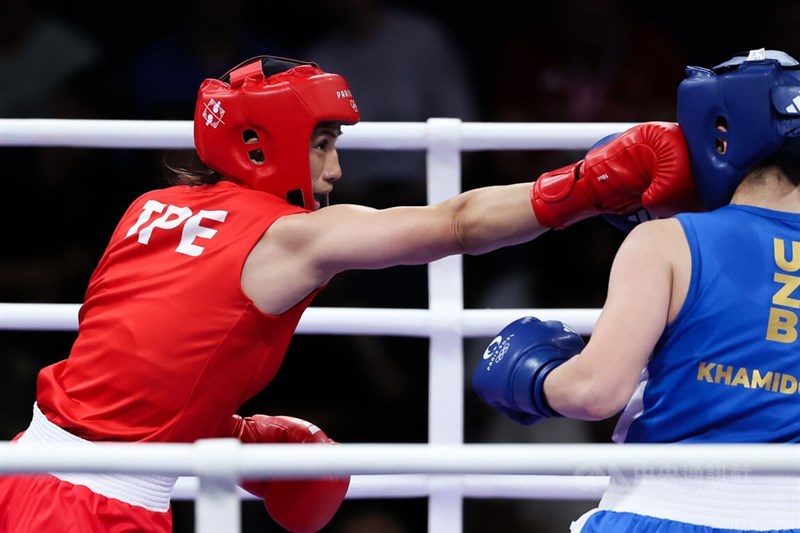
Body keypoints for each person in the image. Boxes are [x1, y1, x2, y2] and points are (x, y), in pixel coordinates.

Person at [0, 53, 699, 533]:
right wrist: (589, 184)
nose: (335, 168)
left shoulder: (147, 208)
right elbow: (454, 224)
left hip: (24, 466)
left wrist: (231, 432)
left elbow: (136, 362)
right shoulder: (288, 238)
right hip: (91, 506)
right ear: (258, 143)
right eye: (323, 143)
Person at [473, 48, 800, 533]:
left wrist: (531, 378)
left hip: (664, 508)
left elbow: (595, 391)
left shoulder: (667, 241)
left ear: (721, 130)